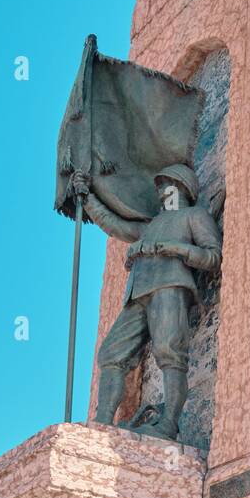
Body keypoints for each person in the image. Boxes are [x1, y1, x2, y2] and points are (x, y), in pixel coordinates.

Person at [71, 163, 221, 441]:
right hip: (137, 294)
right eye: (161, 186)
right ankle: (103, 422)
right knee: (111, 354)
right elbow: (113, 224)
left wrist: (173, 249)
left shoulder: (193, 216)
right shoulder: (150, 224)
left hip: (170, 285)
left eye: (168, 185)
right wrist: (87, 196)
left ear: (183, 189)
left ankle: (169, 424)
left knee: (169, 352)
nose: (162, 191)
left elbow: (212, 257)